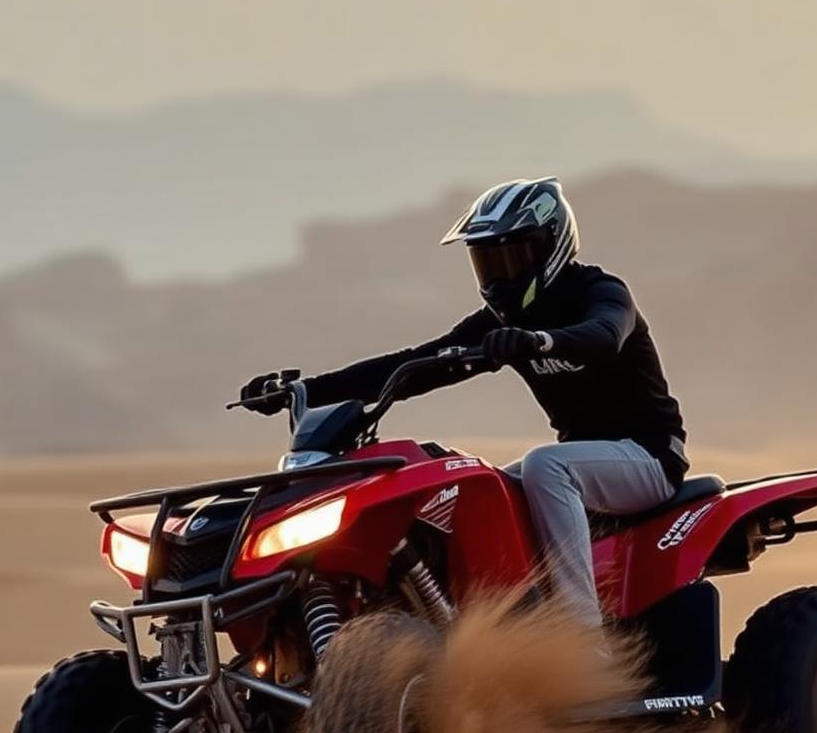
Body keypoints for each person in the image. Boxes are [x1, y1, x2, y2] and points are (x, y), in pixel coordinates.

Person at [240, 177, 688, 628]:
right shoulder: (499, 323)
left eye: (513, 256)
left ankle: (581, 635)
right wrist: (305, 391)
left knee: (545, 466)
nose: (500, 275)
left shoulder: (600, 292)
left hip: (650, 457)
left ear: (551, 245)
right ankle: (493, 630)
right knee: (483, 488)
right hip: (586, 466)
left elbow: (604, 336)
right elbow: (414, 362)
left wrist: (539, 341)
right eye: (487, 261)